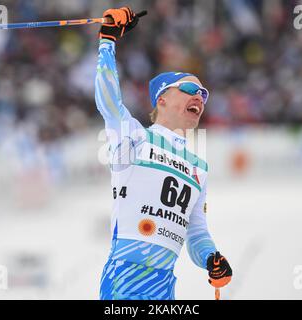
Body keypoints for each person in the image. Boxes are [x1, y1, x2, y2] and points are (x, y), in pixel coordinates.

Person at [95, 7, 232, 300]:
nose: (199, 97)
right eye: (189, 89)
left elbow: (195, 233)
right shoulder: (135, 138)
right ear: (163, 99)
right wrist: (107, 41)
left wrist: (211, 258)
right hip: (125, 277)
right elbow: (109, 102)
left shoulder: (199, 167)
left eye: (204, 94)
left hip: (165, 285)